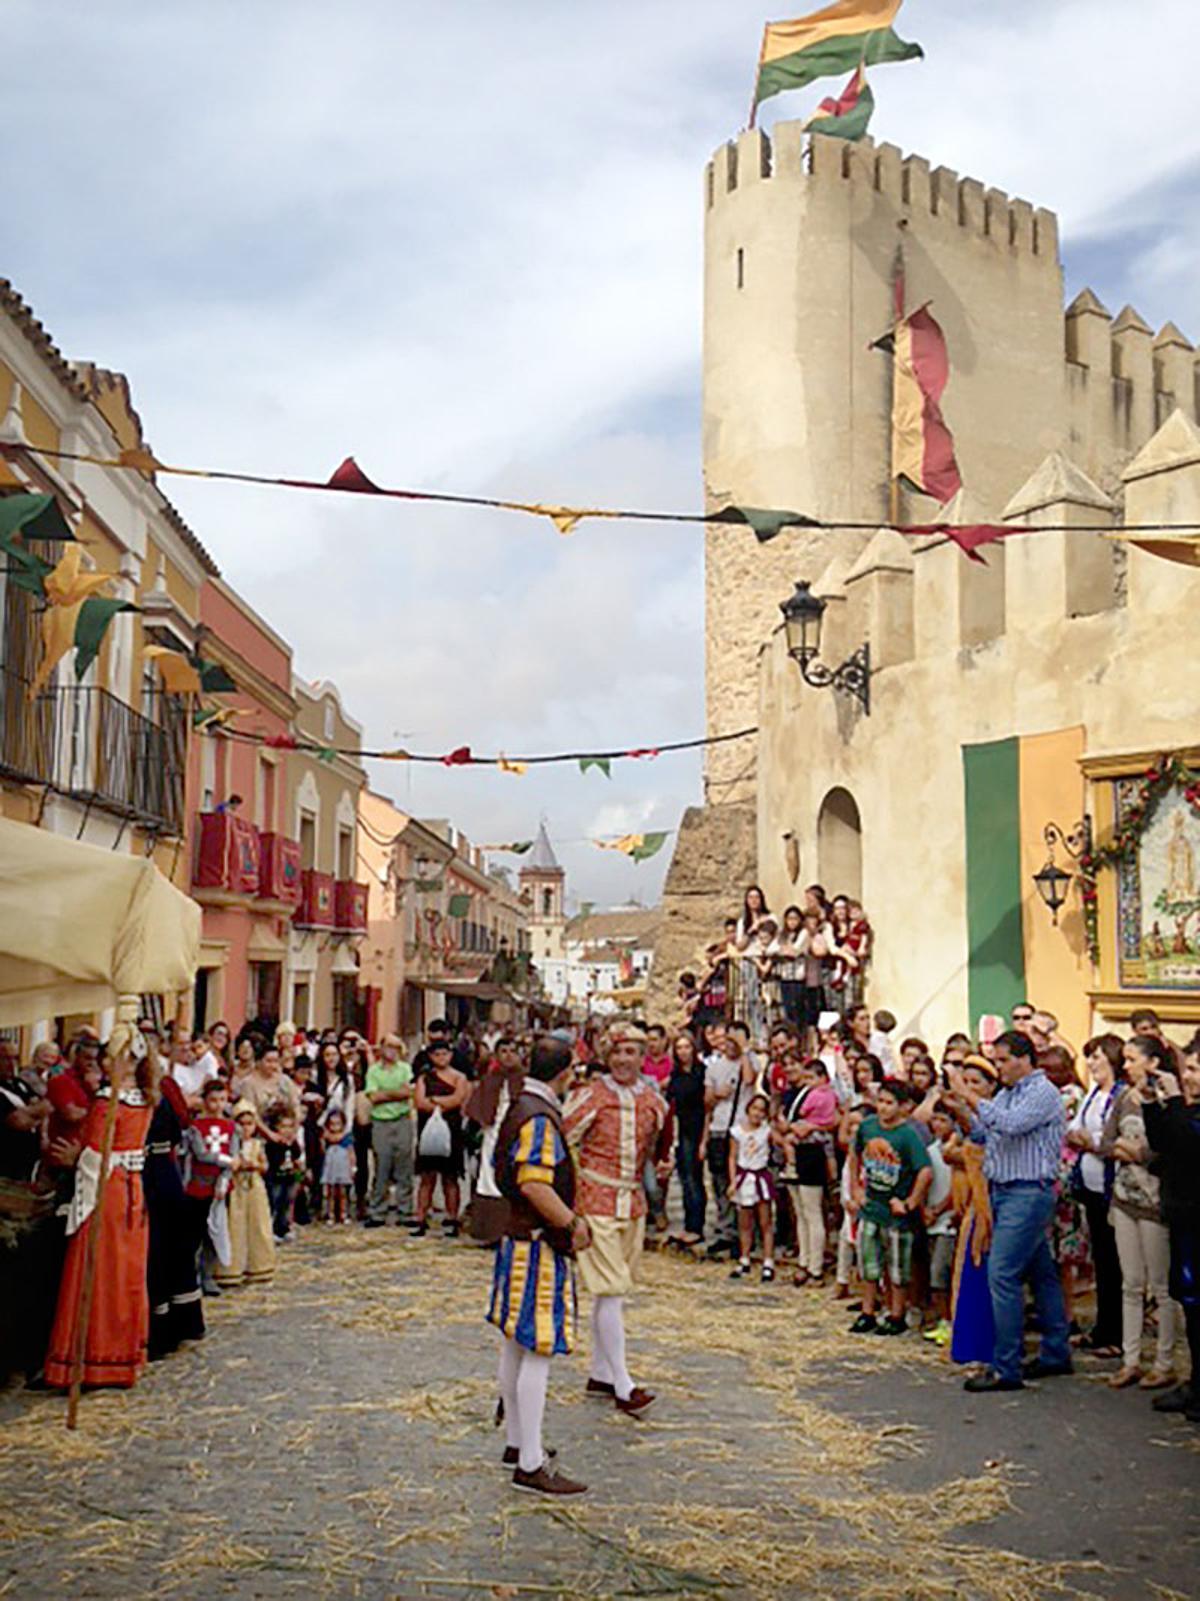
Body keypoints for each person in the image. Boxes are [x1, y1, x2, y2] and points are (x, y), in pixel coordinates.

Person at [487, 1036, 589, 1495]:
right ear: (565, 1071)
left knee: (515, 1342)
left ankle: (517, 1442)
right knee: (538, 1348)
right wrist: (572, 1223)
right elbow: (534, 1183)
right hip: (537, 1243)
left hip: (517, 1238)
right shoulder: (540, 1117)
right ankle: (529, 1459)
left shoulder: (521, 1105)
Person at [947, 1031, 1071, 1392]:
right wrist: (964, 1110)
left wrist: (970, 1095)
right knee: (1041, 1274)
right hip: (1006, 1188)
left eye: (1003, 1061)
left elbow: (1012, 1124)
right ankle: (1054, 1350)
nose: (998, 1068)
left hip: (1027, 1190)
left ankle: (1006, 1366)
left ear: (1024, 1058)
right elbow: (989, 1133)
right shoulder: (1008, 1093)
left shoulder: (1041, 1092)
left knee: (1002, 1274)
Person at [563, 1021, 669, 1417]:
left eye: (633, 1053)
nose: (625, 1060)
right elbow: (563, 1140)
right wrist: (571, 1204)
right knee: (609, 1289)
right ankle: (624, 1383)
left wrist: (661, 1165)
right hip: (596, 1198)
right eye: (619, 1053)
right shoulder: (591, 1096)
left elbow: (658, 1146)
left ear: (644, 1057)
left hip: (632, 1203)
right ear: (607, 1057)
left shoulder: (654, 1101)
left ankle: (601, 1372)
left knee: (614, 1292)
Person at [44, 1048, 154, 1390]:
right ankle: (120, 1354)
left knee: (99, 1267)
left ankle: (93, 1356)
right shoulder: (146, 1100)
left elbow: (95, 1152)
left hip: (106, 1189)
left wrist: (79, 1158)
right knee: (124, 1269)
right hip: (131, 1189)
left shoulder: (108, 1103)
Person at [1107, 1034, 1178, 1390]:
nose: (1126, 1065)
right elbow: (1107, 1142)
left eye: (1133, 1059)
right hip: (1125, 1199)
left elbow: (1167, 1150)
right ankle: (1130, 1358)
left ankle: (1165, 1361)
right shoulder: (1123, 1097)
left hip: (1155, 1203)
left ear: (1152, 1063)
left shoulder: (1168, 1100)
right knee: (1131, 1283)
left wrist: (1137, 1153)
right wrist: (1127, 1150)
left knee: (1162, 1286)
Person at [1140, 1035, 1200, 1422]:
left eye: (1194, 1070)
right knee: (1189, 1304)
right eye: (1188, 1068)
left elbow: (1189, 1144)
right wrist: (1151, 1103)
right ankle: (1196, 1383)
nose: (1188, 1076)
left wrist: (1176, 1100)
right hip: (1182, 1216)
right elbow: (1165, 1142)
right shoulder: (1188, 1109)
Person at [848, 1080, 932, 1336]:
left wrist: (910, 1202)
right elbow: (854, 1154)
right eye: (880, 1102)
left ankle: (897, 1313)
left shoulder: (907, 1136)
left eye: (889, 1103)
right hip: (872, 1205)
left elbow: (925, 1171)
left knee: (898, 1267)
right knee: (869, 1262)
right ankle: (868, 1310)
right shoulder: (868, 1127)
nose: (883, 1108)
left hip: (895, 1212)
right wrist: (856, 1188)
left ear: (902, 1106)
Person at [1064, 1034, 1125, 1358]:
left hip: (1110, 1187)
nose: (1091, 1064)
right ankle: (1102, 1328)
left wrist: (1092, 1141)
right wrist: (1077, 1136)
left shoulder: (1120, 1096)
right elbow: (1075, 1126)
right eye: (1089, 1057)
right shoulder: (1092, 1094)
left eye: (1097, 1057)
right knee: (1101, 1260)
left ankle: (1114, 1333)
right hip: (1089, 1186)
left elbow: (1114, 1137)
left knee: (1113, 1263)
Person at [143, 1059, 204, 1360]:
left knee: (161, 1248)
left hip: (149, 1173)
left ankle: (165, 1328)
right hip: (165, 1172)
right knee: (170, 1248)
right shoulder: (165, 1088)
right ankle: (179, 1322)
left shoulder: (152, 1093)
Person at [945, 1057, 998, 1372]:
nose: (969, 1089)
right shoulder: (972, 1119)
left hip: (990, 1204)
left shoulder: (1000, 1116)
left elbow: (980, 1140)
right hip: (970, 1205)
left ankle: (989, 1349)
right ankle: (968, 1345)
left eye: (976, 1083)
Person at [778, 1057, 838, 1287]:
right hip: (802, 1147)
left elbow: (819, 1118)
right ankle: (805, 1261)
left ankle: (815, 1266)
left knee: (812, 1212)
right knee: (802, 1212)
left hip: (812, 1150)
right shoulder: (801, 1093)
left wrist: (802, 1125)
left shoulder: (819, 1096)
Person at [412, 1040, 470, 1236]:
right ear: (430, 1056)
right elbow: (419, 1102)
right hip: (428, 1130)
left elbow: (458, 1099)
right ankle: (420, 1217)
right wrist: (442, 1103)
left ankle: (452, 1218)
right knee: (426, 1177)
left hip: (452, 1130)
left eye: (444, 1054)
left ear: (451, 1055)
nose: (441, 1058)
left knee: (450, 1178)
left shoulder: (459, 1077)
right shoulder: (424, 1077)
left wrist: (435, 1101)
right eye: (437, 1054)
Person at [216, 1100, 275, 1286]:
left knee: (257, 1224)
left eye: (249, 1124)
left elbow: (265, 1165)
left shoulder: (257, 1144)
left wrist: (254, 1166)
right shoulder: (230, 1145)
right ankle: (232, 1269)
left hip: (254, 1186)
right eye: (241, 1124)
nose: (245, 1128)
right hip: (236, 1188)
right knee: (235, 1225)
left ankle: (259, 1265)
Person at [364, 1034, 414, 1228]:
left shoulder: (405, 1069)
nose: (392, 1051)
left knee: (404, 1166)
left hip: (402, 1120)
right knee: (381, 1166)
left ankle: (405, 1210)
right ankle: (377, 1211)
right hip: (381, 1122)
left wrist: (386, 1094)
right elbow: (373, 1097)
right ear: (381, 1048)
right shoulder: (374, 1071)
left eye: (396, 1047)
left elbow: (408, 1092)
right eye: (388, 1047)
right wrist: (396, 1094)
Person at [700, 1024, 740, 1259]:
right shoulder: (714, 1068)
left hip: (740, 1128)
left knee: (740, 1181)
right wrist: (717, 1095)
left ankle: (743, 1232)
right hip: (718, 1129)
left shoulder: (748, 1062)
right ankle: (726, 1229)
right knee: (720, 1181)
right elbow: (706, 1102)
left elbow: (749, 1079)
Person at [728, 1093, 777, 1282]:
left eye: (761, 1110)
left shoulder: (766, 1131)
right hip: (744, 1177)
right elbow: (732, 1156)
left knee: (765, 1221)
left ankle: (768, 1261)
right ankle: (745, 1258)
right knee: (745, 1222)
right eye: (754, 1108)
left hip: (760, 1176)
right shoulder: (737, 1132)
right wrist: (733, 1181)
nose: (757, 1113)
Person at [666, 1030, 707, 1247]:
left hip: (698, 1127)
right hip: (682, 1129)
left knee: (694, 1178)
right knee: (684, 1177)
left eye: (686, 1047)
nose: (683, 1052)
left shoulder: (702, 1072)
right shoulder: (676, 1075)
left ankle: (696, 1226)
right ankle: (688, 1222)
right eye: (679, 1048)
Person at [0, 1041, 48, 1180]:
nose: (11, 1064)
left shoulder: (19, 1084)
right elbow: (18, 1121)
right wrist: (36, 1112)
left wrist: (29, 1112)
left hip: (29, 1160)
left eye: (15, 1058)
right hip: (6, 1159)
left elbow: (47, 1107)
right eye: (5, 1058)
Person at [264, 1104, 304, 1242]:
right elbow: (271, 1160)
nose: (287, 1130)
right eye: (283, 1126)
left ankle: (284, 1228)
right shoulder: (272, 1144)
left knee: (287, 1203)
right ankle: (272, 1229)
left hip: (290, 1177)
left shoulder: (292, 1143)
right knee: (274, 1202)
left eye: (290, 1126)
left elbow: (297, 1155)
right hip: (276, 1178)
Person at [320, 1108, 356, 1224]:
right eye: (332, 1124)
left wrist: (353, 1167)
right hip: (331, 1165)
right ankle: (330, 1214)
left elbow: (351, 1152)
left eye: (338, 1123)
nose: (335, 1126)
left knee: (342, 1192)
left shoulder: (347, 1137)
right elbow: (322, 1148)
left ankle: (343, 1213)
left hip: (343, 1165)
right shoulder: (326, 1137)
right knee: (330, 1192)